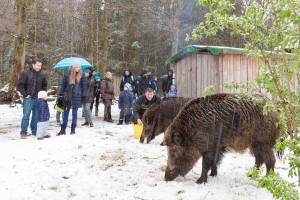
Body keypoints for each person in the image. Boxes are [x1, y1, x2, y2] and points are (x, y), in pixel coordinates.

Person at [17, 58, 47, 139]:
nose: (39, 67)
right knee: (26, 116)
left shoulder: (42, 74)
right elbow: (20, 85)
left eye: (40, 66)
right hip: (28, 98)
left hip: (38, 99)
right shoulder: (26, 73)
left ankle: (34, 131)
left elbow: (44, 86)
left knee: (36, 116)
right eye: (37, 65)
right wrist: (25, 94)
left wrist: (43, 95)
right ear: (33, 65)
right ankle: (23, 132)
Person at [57, 60, 87, 135]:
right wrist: (61, 94)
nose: (78, 69)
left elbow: (84, 86)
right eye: (76, 67)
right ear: (73, 67)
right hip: (67, 96)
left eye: (79, 67)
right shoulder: (67, 74)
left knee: (74, 113)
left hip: (77, 96)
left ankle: (73, 129)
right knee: (65, 113)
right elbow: (63, 85)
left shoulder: (82, 75)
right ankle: (63, 129)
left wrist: (84, 96)